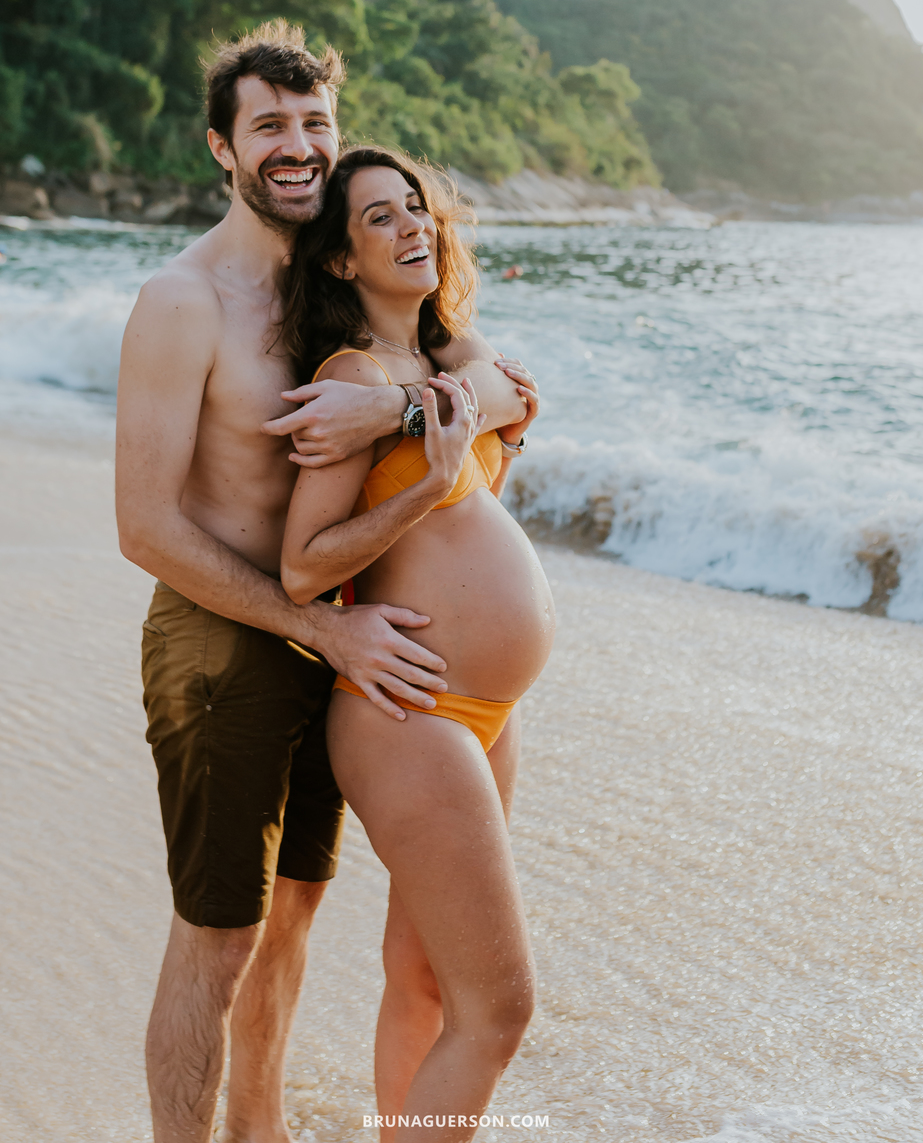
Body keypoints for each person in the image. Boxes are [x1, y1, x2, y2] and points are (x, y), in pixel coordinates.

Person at [115, 23, 534, 1143]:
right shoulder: (185, 301)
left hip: (336, 637)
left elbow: (502, 385)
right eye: (269, 127)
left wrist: (397, 407)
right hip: (224, 634)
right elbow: (144, 526)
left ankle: (259, 1128)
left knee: (296, 913)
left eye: (314, 123)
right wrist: (322, 626)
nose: (297, 145)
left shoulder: (337, 291)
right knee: (218, 937)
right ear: (223, 147)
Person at [279, 145, 552, 1139]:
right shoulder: (348, 377)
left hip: (487, 712)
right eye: (380, 218)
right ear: (341, 260)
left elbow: (503, 401)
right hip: (410, 709)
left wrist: (483, 436)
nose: (411, 227)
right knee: (501, 1010)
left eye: (415, 207)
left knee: (427, 974)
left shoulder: (444, 359)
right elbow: (303, 565)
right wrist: (426, 483)